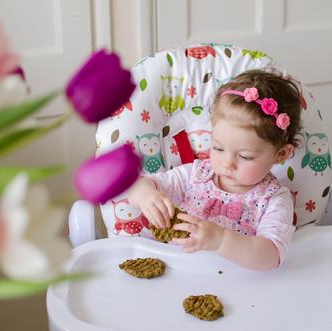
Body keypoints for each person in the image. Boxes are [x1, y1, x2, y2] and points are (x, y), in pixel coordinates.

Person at [127, 69, 302, 270]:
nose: (227, 163)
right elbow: (136, 187)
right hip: (177, 272)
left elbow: (271, 256)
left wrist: (221, 241)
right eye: (218, 148)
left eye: (245, 156)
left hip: (239, 285)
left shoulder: (275, 199)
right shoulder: (196, 175)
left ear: (281, 154)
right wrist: (146, 195)